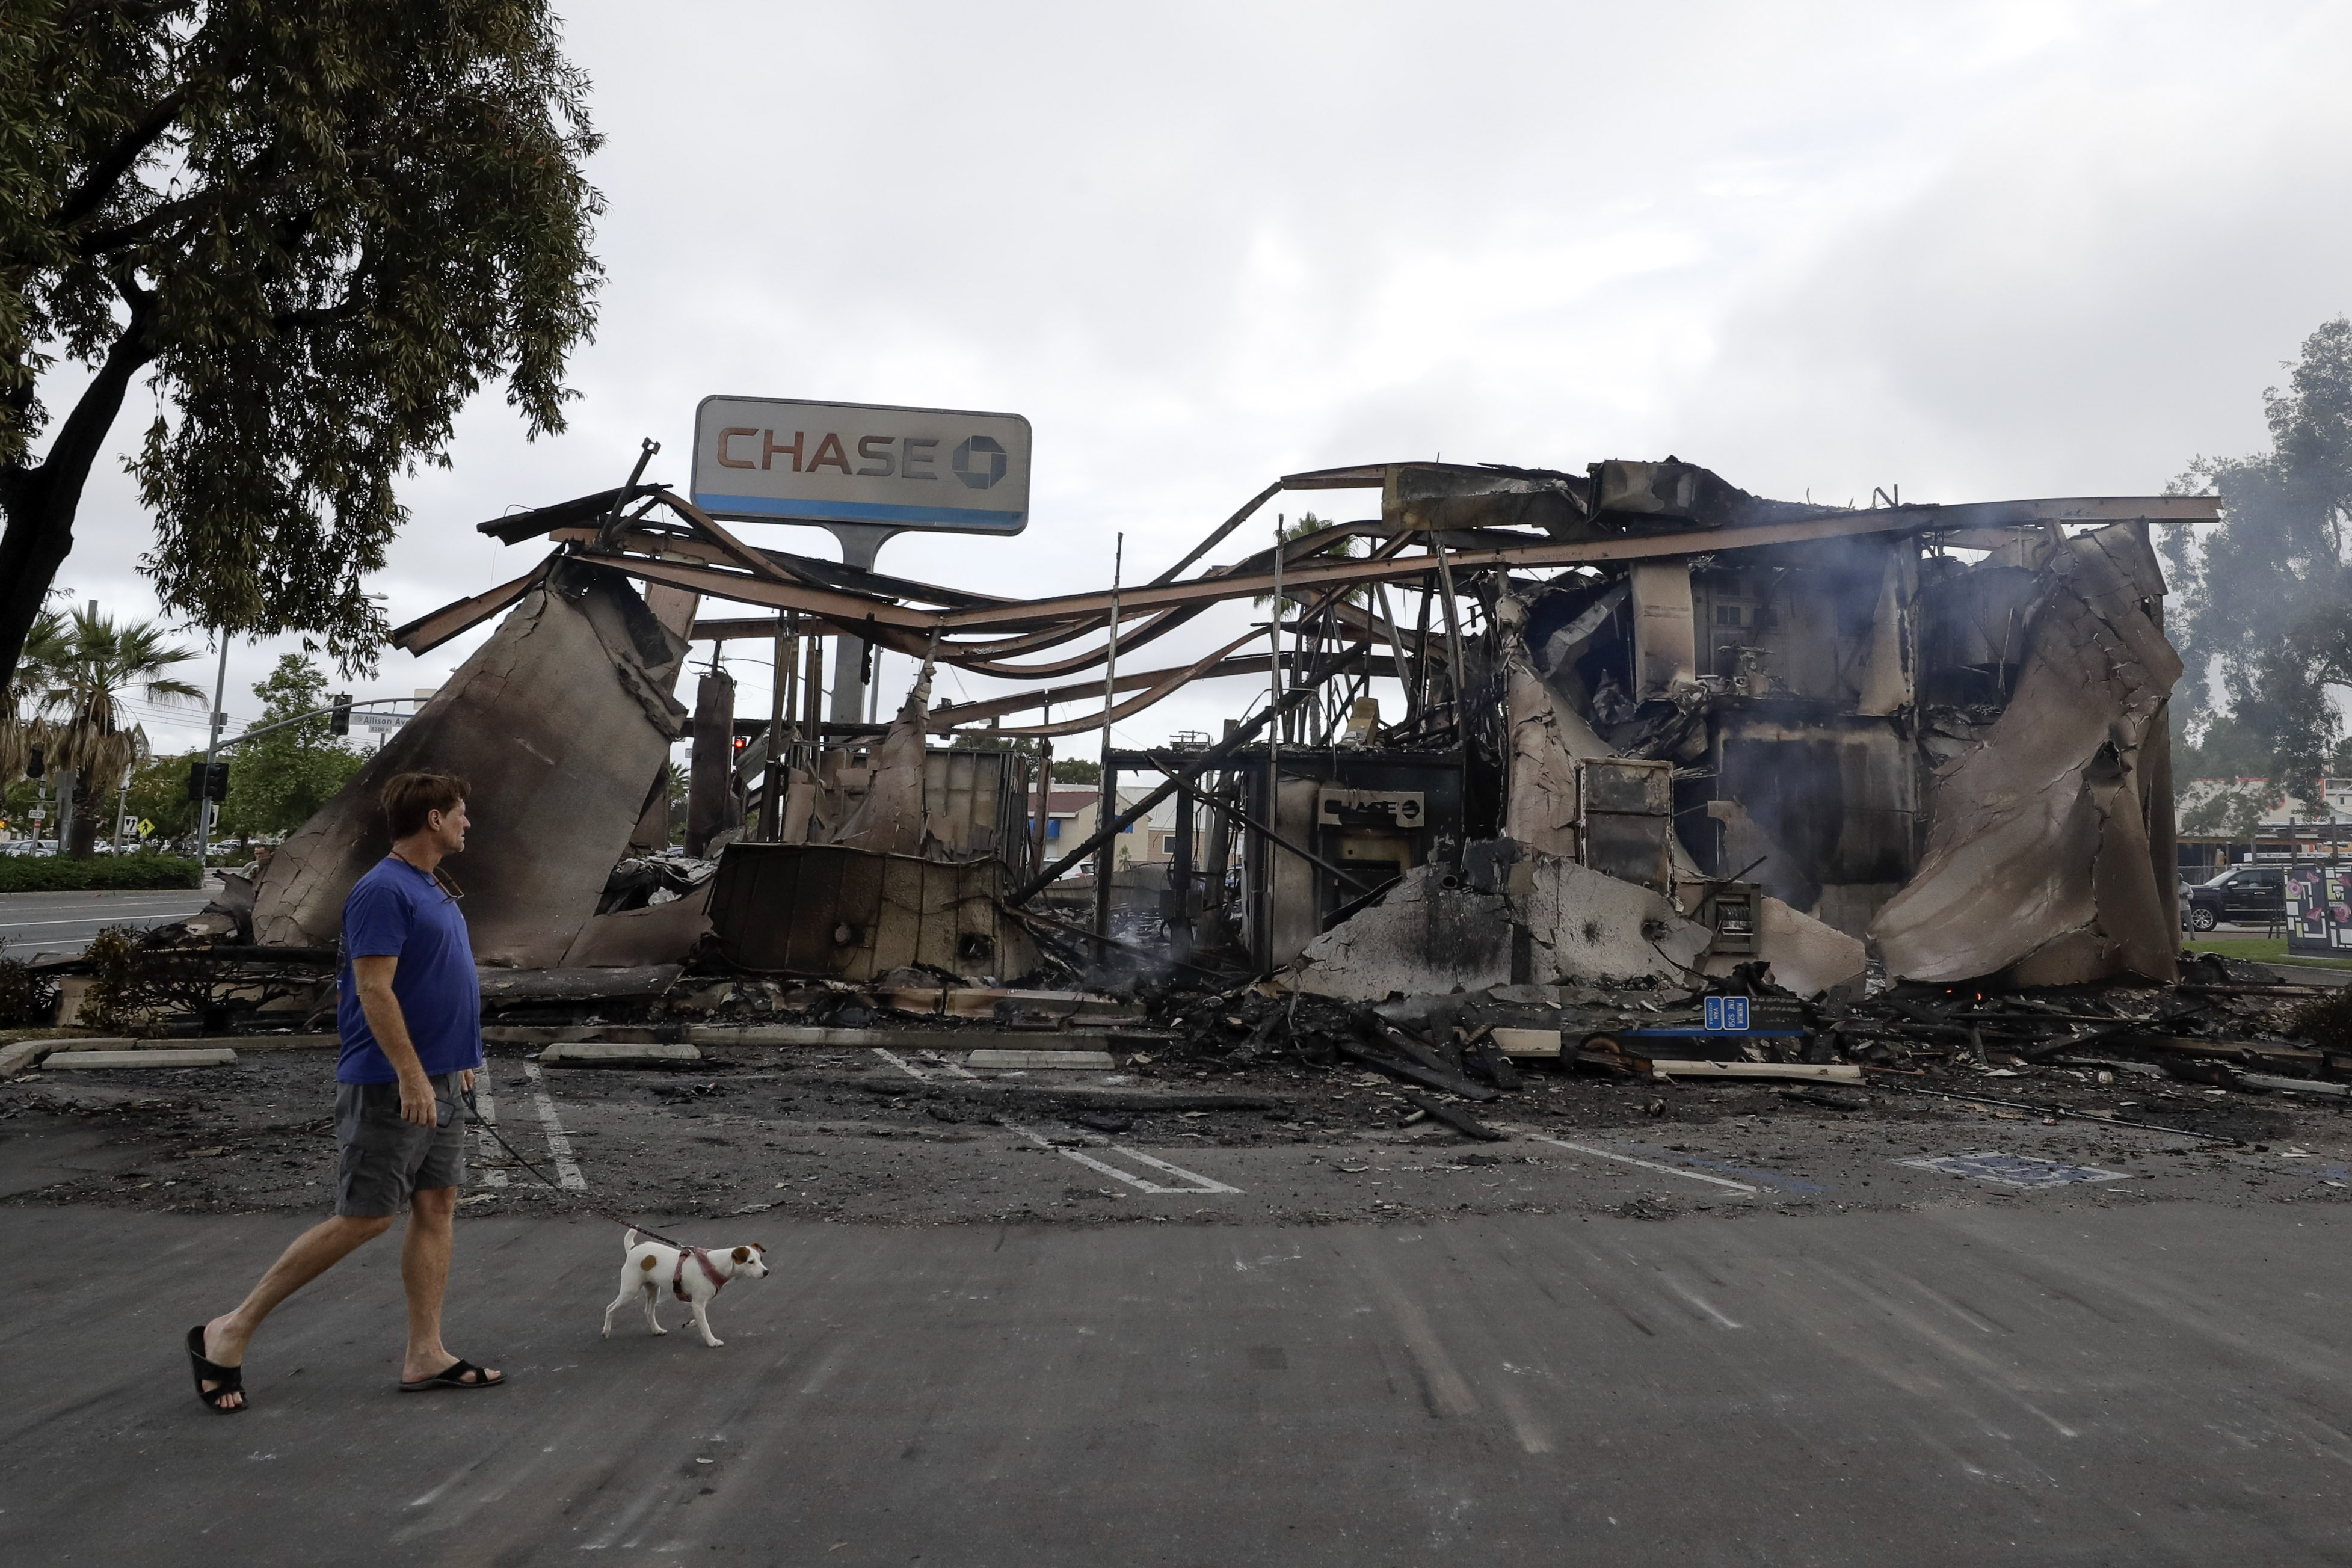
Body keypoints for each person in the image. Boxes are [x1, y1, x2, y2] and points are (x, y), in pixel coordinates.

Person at [187, 772, 502, 1410]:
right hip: (392, 1082)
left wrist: (456, 1059)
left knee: (437, 1203)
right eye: (460, 813)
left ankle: (426, 1354)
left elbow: (435, 978)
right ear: (434, 819)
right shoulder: (384, 889)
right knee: (366, 1216)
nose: (467, 823)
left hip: (440, 1075)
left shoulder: (432, 884)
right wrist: (411, 1073)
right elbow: (373, 988)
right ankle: (230, 1329)